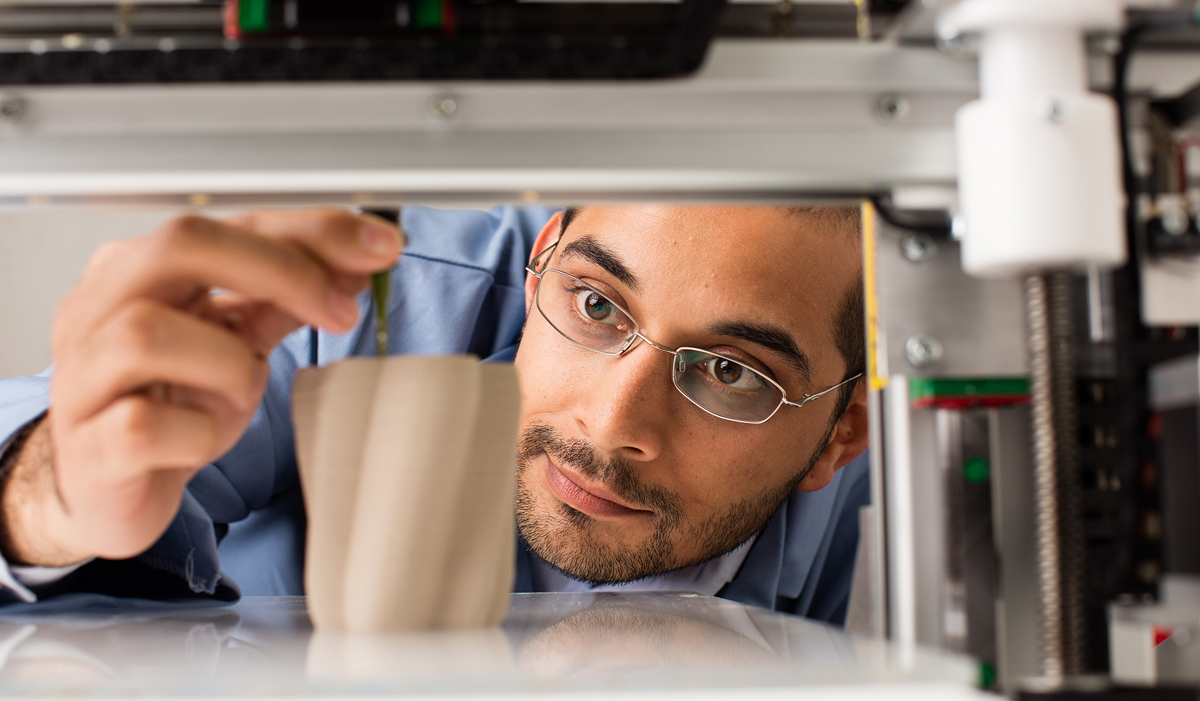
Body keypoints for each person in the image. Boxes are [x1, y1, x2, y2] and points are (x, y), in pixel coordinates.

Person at [0, 205, 869, 622]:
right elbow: (58, 466)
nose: (609, 427)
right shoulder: (356, 306)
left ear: (840, 437)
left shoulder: (905, 496)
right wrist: (48, 496)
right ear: (542, 259)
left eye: (729, 373)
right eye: (597, 307)